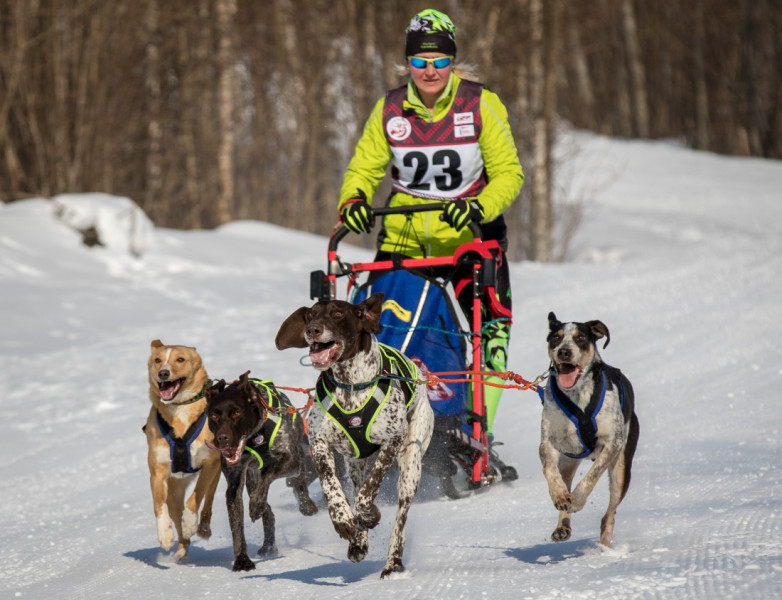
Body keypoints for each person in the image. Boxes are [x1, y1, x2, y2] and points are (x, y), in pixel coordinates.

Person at [338, 9, 524, 479]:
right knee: (373, 332)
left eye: (439, 61)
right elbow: (363, 169)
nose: (429, 71)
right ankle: (365, 430)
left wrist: (479, 207)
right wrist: (354, 201)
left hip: (471, 242)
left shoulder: (481, 105)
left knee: (491, 334)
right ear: (407, 65)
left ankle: (476, 437)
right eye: (420, 62)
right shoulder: (391, 108)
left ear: (453, 62)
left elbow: (509, 174)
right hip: (404, 239)